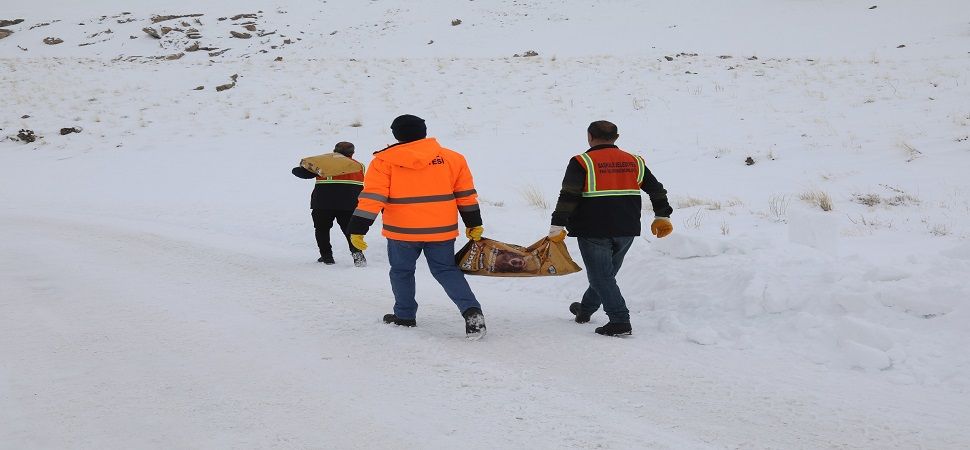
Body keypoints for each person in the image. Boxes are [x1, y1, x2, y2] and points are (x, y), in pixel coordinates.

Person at [347, 114, 487, 339]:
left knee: (402, 272)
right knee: (446, 270)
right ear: (423, 131)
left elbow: (373, 197)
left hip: (401, 231)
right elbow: (466, 195)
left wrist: (358, 228)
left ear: (396, 135)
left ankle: (405, 316)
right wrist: (474, 224)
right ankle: (472, 312)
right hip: (441, 230)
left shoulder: (384, 161)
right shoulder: (453, 158)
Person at [549, 120, 674, 336]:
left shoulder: (582, 162)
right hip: (626, 229)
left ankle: (619, 320)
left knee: (601, 277)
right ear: (616, 137)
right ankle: (586, 310)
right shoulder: (635, 161)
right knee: (605, 275)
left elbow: (568, 196)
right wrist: (662, 215)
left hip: (593, 229)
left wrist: (556, 225)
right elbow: (657, 190)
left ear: (589, 136)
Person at [291, 141, 367, 267]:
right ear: (352, 153)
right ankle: (358, 256)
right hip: (349, 204)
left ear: (334, 151)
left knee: (322, 230)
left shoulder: (323, 165)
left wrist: (303, 167)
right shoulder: (360, 166)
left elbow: (300, 173)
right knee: (350, 231)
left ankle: (327, 257)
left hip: (323, 203)